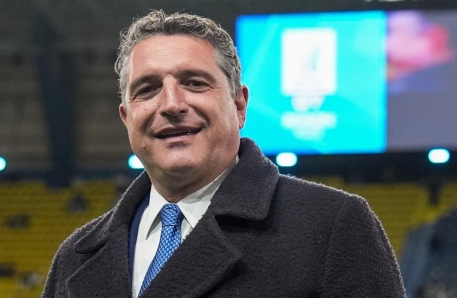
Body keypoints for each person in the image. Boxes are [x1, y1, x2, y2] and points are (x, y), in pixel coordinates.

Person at [42, 10, 405, 297]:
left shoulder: (332, 225)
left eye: (194, 83)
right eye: (148, 89)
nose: (171, 104)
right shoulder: (75, 256)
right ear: (127, 117)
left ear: (239, 105)